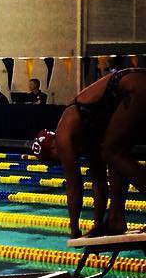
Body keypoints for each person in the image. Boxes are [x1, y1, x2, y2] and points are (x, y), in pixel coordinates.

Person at [32, 67, 146, 238]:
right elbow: (99, 181)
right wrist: (97, 225)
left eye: (55, 160)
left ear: (53, 148)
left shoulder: (63, 136)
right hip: (134, 87)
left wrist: (74, 229)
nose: (61, 161)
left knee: (112, 152)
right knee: (115, 158)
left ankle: (115, 218)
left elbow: (74, 187)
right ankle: (115, 219)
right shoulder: (87, 133)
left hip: (133, 88)